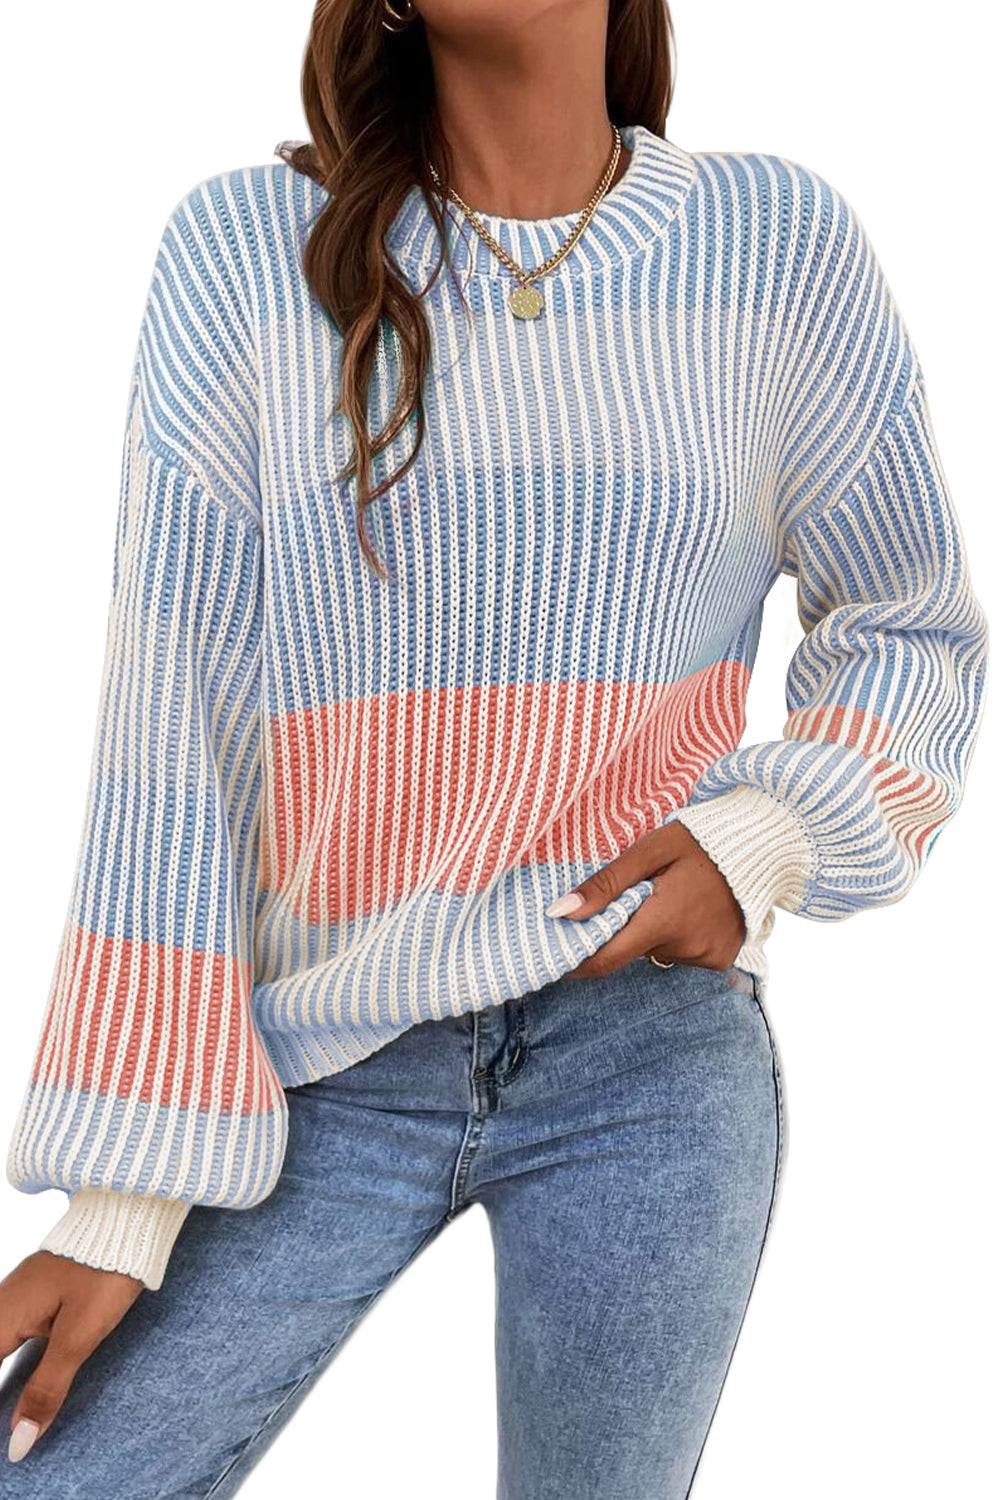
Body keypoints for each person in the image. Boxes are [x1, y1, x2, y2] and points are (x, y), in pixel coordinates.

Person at [0, 0, 989, 1494]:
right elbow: (171, 728)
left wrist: (762, 841)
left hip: (644, 1054)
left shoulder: (776, 247)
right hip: (323, 1056)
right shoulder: (245, 252)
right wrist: (128, 1191)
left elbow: (911, 620)